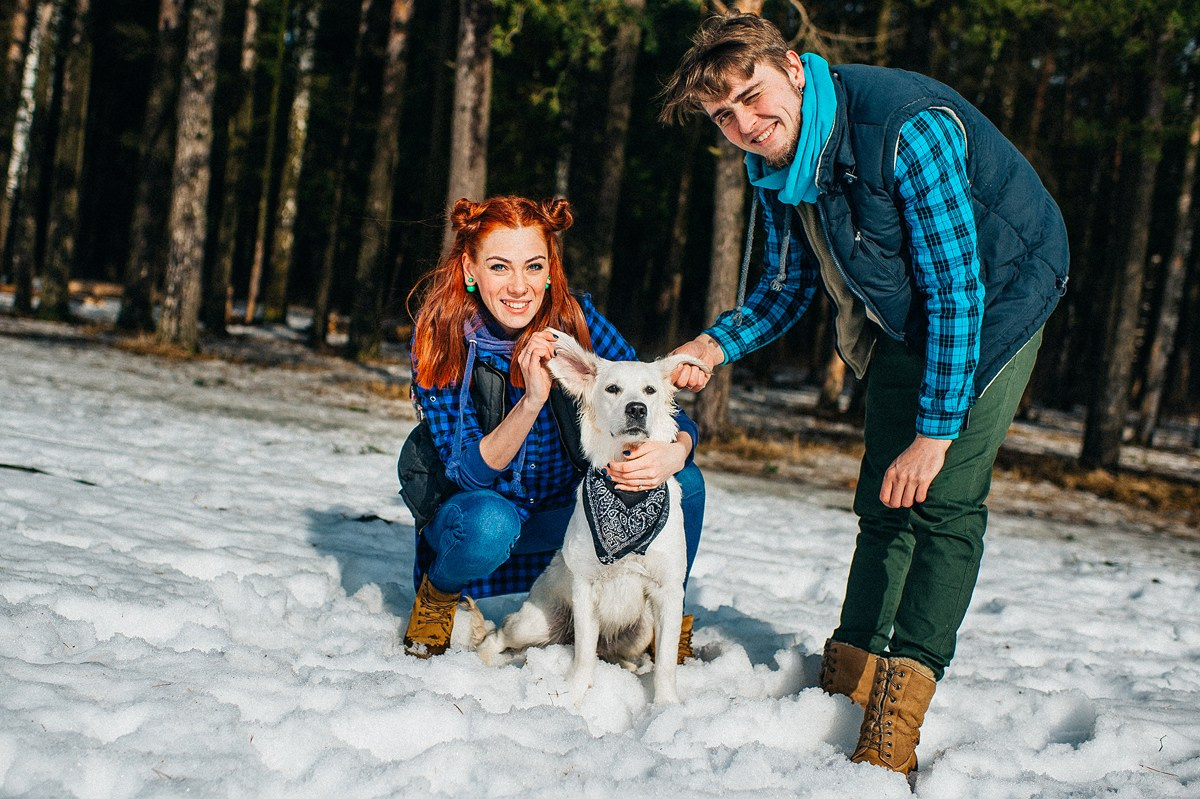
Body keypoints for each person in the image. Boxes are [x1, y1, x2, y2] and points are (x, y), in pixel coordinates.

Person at [658, 12, 1068, 775]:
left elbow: (956, 292)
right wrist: (714, 345)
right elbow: (787, 285)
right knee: (885, 499)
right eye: (723, 116)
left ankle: (893, 723)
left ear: (793, 67)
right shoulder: (778, 167)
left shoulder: (907, 129)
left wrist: (935, 433)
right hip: (905, 316)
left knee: (942, 502)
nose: (745, 124)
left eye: (751, 94)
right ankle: (848, 676)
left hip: (997, 300)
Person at [397, 195, 705, 660]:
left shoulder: (577, 323)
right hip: (476, 520)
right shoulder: (440, 338)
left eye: (533, 267)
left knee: (687, 483)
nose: (519, 286)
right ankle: (439, 598)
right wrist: (532, 399)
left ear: (549, 270)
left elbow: (653, 401)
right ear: (470, 269)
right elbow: (470, 474)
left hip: (567, 516)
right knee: (490, 523)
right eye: (499, 267)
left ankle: (666, 620)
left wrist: (677, 450)